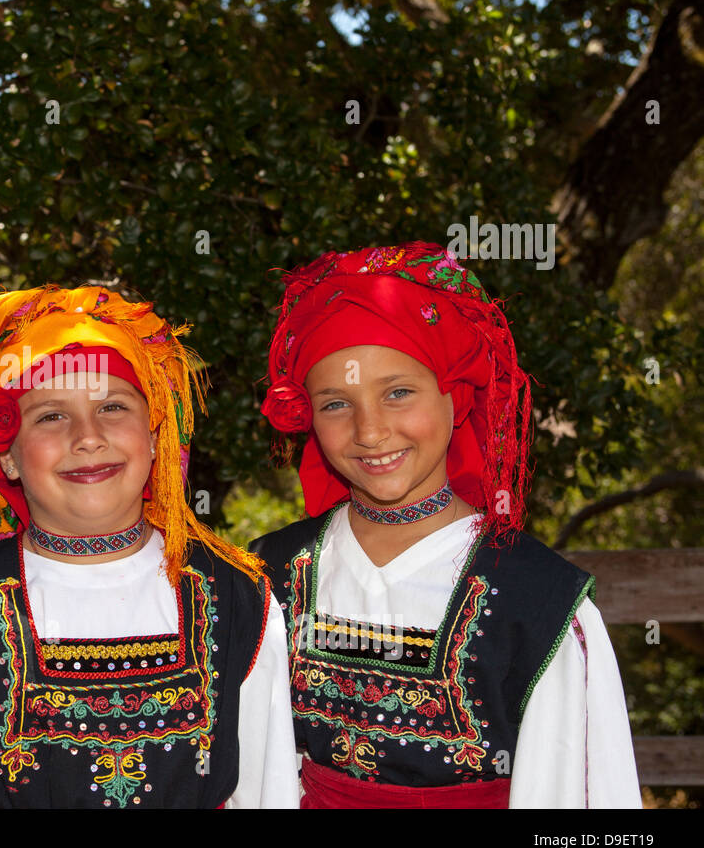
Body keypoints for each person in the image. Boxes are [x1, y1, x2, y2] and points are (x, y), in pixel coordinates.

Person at [250, 241, 640, 808]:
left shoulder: (538, 603)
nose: (371, 431)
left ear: (456, 398)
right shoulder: (270, 577)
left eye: (399, 393)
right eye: (336, 403)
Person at [0, 285, 298, 808]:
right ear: (7, 457)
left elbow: (269, 794)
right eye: (50, 416)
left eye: (112, 407)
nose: (88, 436)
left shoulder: (239, 601)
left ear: (154, 435)